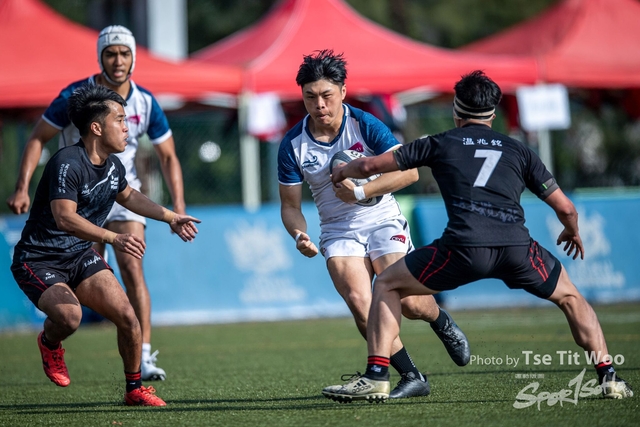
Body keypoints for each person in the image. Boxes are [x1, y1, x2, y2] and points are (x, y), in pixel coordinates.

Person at [325, 70, 634, 402]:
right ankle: (609, 377)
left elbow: (370, 167)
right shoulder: (520, 151)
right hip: (517, 249)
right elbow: (567, 209)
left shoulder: (439, 143)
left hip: (463, 249)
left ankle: (377, 375)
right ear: (493, 114)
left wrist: (343, 171)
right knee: (571, 298)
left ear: (456, 111)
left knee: (386, 283)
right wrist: (572, 231)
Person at [277, 50, 470, 400]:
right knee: (360, 302)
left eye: (326, 95)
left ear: (343, 91)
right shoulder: (293, 144)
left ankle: (440, 320)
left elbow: (410, 173)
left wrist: (361, 191)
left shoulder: (365, 125)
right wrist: (299, 233)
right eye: (310, 97)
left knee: (411, 304)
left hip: (382, 219)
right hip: (337, 230)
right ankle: (412, 375)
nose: (319, 105)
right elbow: (290, 206)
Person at [6, 25, 185, 381]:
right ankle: (63, 324)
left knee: (132, 270)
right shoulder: (77, 98)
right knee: (79, 291)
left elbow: (166, 158)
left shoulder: (146, 102)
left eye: (124, 53)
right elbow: (38, 138)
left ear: (134, 58)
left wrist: (174, 212)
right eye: (110, 53)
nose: (118, 60)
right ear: (100, 58)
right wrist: (22, 187)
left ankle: (141, 359)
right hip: (76, 197)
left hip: (119, 187)